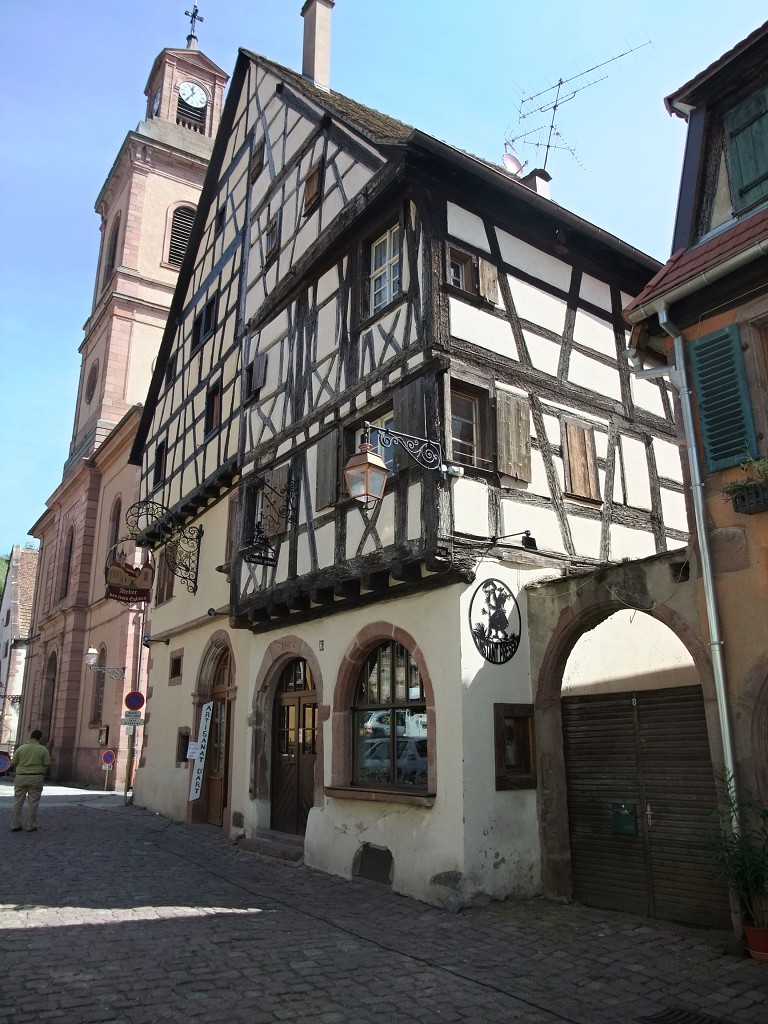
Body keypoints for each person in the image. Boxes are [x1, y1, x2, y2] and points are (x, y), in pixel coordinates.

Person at [9, 730, 51, 833]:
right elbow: (47, 763)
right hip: (36, 777)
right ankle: (31, 825)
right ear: (39, 738)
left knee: (18, 801)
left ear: (30, 737)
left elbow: (13, 762)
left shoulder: (21, 748)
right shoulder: (43, 749)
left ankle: (15, 825)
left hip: (21, 777)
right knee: (33, 802)